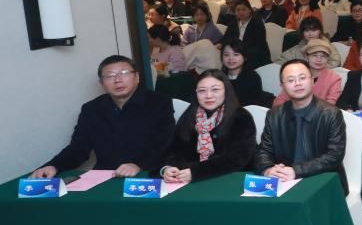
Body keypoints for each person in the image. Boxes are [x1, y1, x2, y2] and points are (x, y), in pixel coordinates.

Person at [29, 56, 174, 179]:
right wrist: (54, 166)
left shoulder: (159, 103)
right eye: (110, 76)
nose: (117, 80)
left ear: (137, 77)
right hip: (106, 176)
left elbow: (164, 144)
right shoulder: (91, 109)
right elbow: (78, 148)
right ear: (102, 83)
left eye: (124, 73)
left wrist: (138, 165)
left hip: (148, 174)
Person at [257, 59, 347, 192]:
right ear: (282, 86)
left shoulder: (331, 114)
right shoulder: (274, 115)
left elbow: (334, 156)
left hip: (321, 179)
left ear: (312, 81)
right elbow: (264, 150)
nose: (297, 83)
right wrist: (267, 169)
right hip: (285, 181)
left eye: (302, 78)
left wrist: (296, 171)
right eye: (291, 80)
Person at [161, 70, 258, 182]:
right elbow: (173, 150)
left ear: (226, 91)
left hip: (232, 179)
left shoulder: (241, 117)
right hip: (190, 180)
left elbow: (237, 158)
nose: (208, 96)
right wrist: (168, 168)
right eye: (202, 91)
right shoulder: (189, 115)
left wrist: (196, 172)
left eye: (215, 90)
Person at [274, 38, 343, 106]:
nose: (319, 59)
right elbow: (281, 99)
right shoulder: (297, 73)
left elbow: (330, 104)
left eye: (323, 56)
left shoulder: (334, 78)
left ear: (328, 58)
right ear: (306, 57)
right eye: (314, 55)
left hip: (321, 112)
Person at [221, 39, 270, 107]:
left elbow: (253, 105)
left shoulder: (253, 78)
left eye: (236, 54)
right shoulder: (219, 77)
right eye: (226, 55)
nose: (231, 58)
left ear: (245, 57)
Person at [223, 0, 271, 67]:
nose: (241, 12)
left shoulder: (257, 24)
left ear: (250, 10)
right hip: (236, 55)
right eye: (238, 10)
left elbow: (259, 46)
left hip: (256, 57)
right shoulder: (233, 24)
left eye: (244, 9)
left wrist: (241, 53)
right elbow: (226, 39)